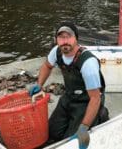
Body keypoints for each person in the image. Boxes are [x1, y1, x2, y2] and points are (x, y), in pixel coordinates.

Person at [29, 21, 108, 149]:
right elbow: (47, 66)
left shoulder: (88, 63)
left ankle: (100, 115)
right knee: (51, 133)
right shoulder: (57, 51)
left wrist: (84, 128)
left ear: (76, 38)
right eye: (61, 37)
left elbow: (95, 98)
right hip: (69, 96)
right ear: (56, 40)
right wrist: (39, 85)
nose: (65, 41)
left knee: (71, 143)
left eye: (69, 37)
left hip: (87, 101)